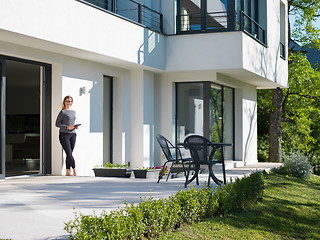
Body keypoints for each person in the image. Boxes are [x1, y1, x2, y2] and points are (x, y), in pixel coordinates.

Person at [55, 95, 79, 176]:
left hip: (73, 134)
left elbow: (71, 123)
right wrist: (67, 127)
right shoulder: (62, 112)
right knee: (69, 153)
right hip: (64, 135)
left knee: (69, 153)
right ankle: (74, 169)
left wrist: (75, 126)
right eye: (67, 101)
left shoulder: (73, 112)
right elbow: (57, 124)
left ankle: (67, 171)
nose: (69, 103)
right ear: (64, 102)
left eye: (70, 101)